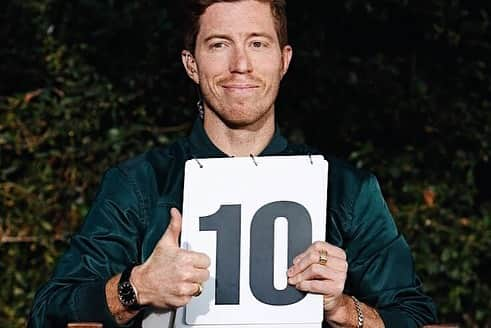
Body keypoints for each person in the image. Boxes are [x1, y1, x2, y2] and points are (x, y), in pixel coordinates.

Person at [28, 0, 438, 327]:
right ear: (192, 64)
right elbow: (48, 312)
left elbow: (416, 316)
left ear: (284, 59)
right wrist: (136, 288)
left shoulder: (346, 189)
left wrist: (342, 309)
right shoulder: (139, 184)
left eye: (258, 43)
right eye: (219, 44)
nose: (240, 64)